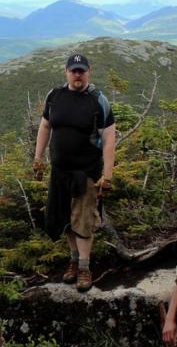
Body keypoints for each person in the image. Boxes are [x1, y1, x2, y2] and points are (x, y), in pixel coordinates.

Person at [33, 53, 116, 292]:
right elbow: (45, 126)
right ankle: (73, 260)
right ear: (66, 72)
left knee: (84, 220)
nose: (77, 74)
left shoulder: (98, 100)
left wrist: (107, 175)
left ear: (89, 71)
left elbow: (109, 138)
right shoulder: (54, 96)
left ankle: (84, 267)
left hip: (86, 172)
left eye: (81, 70)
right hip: (60, 172)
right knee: (65, 219)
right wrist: (38, 159)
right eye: (73, 70)